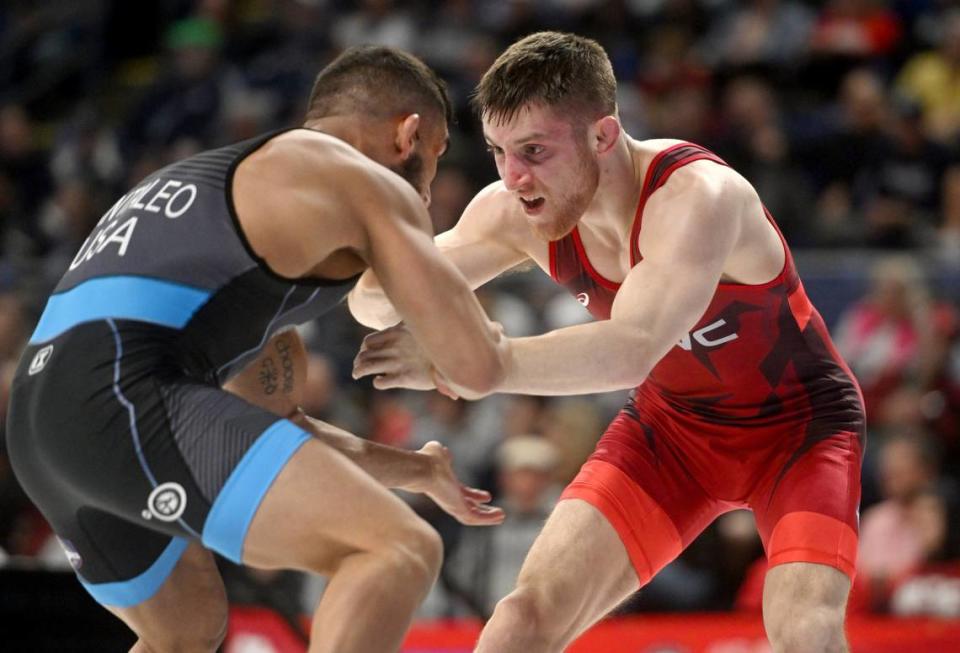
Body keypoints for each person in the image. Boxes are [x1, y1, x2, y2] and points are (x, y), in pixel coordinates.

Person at [350, 32, 866, 652]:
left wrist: (471, 362)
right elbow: (374, 304)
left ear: (604, 135)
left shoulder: (699, 196)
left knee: (804, 633)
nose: (514, 178)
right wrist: (380, 240)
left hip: (799, 432)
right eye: (497, 152)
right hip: (672, 433)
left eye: (534, 151)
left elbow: (631, 348)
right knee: (520, 622)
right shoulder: (513, 210)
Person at [5, 46, 511, 653]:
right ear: (410, 135)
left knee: (186, 631)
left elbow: (267, 437)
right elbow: (477, 364)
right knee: (398, 548)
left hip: (41, 422)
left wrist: (418, 471)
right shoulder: (362, 180)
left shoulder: (222, 198)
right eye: (432, 166)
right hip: (117, 393)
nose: (425, 196)